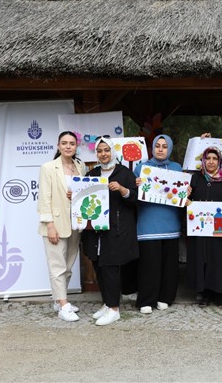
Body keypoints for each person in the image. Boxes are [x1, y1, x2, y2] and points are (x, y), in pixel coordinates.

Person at [82, 136, 139, 326]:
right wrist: (74, 194)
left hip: (116, 230)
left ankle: (114, 309)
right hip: (95, 231)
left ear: (113, 151)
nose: (103, 154)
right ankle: (107, 303)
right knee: (98, 265)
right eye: (99, 151)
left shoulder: (124, 174)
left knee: (111, 267)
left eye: (106, 150)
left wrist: (122, 189)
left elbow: (135, 199)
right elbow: (84, 199)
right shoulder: (92, 174)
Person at [37, 131, 87, 322]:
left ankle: (59, 300)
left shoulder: (80, 165)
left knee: (67, 266)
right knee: (57, 266)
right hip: (55, 223)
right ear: (58, 146)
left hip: (75, 223)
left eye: (72, 143)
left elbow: (82, 192)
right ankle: (64, 304)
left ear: (76, 147)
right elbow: (45, 198)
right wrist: (49, 225)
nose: (68, 146)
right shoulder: (48, 167)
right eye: (64, 143)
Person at [133, 134, 183, 314]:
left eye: (164, 146)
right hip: (148, 224)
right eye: (157, 146)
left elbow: (181, 193)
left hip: (171, 224)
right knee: (149, 265)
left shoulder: (177, 167)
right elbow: (132, 195)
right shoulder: (141, 168)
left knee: (169, 265)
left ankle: (165, 297)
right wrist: (135, 184)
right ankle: (147, 300)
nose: (160, 149)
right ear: (152, 148)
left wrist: (187, 190)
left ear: (169, 149)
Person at [186, 147, 222, 309]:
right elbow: (184, 197)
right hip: (200, 228)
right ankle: (205, 293)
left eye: (214, 158)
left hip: (220, 229)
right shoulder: (196, 178)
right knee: (203, 258)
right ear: (203, 161)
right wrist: (186, 197)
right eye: (208, 158)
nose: (211, 161)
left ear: (220, 161)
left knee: (220, 259)